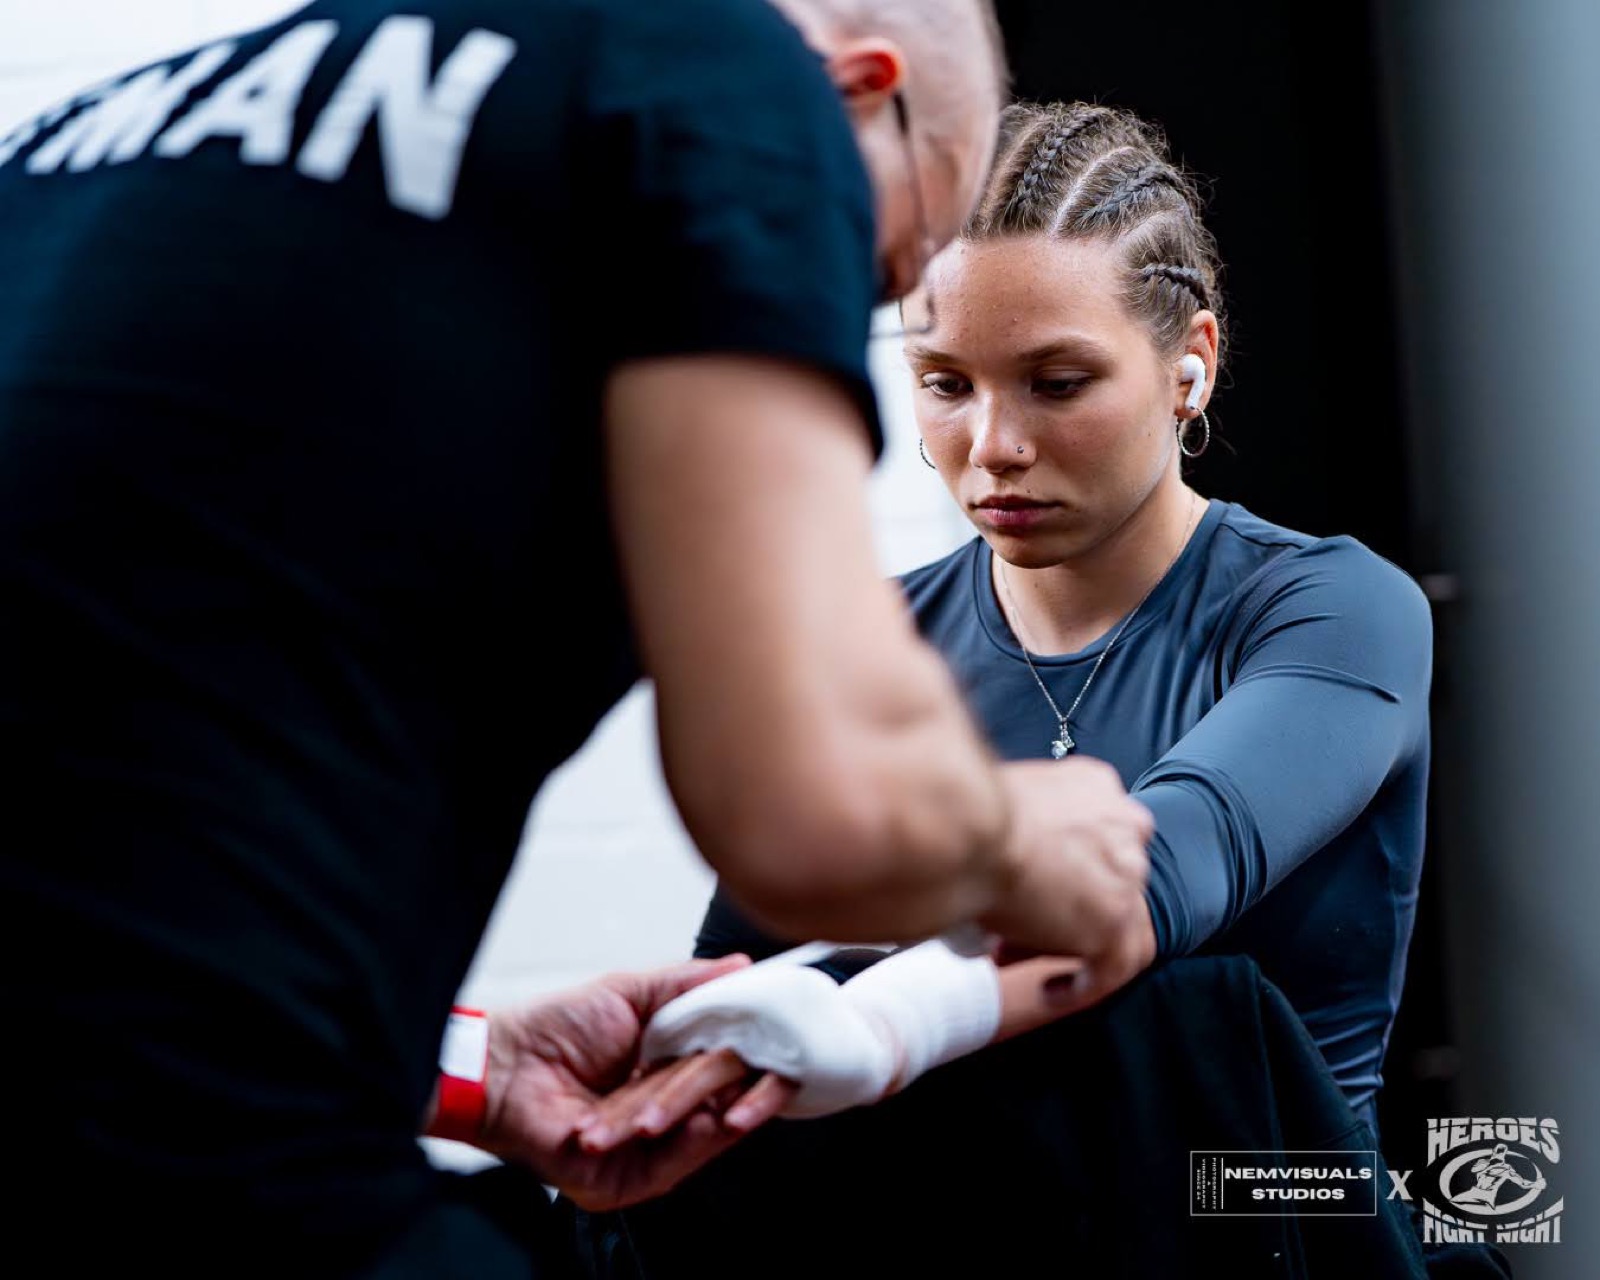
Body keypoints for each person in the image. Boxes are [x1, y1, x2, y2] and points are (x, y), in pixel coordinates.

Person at [0, 2, 1164, 1273]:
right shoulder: (722, 64)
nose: (857, 286)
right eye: (893, 265)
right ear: (856, 95)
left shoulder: (74, 144)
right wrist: (1043, 842)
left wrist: (455, 1064)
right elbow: (815, 808)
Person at [581, 99, 1463, 1278]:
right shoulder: (869, 635)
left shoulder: (1334, 610)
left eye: (1055, 382)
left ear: (1189, 366)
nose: (992, 443)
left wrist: (879, 1003)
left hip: (1257, 1220)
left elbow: (1142, 882)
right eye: (944, 382)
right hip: (945, 1238)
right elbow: (751, 995)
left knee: (1179, 1008)